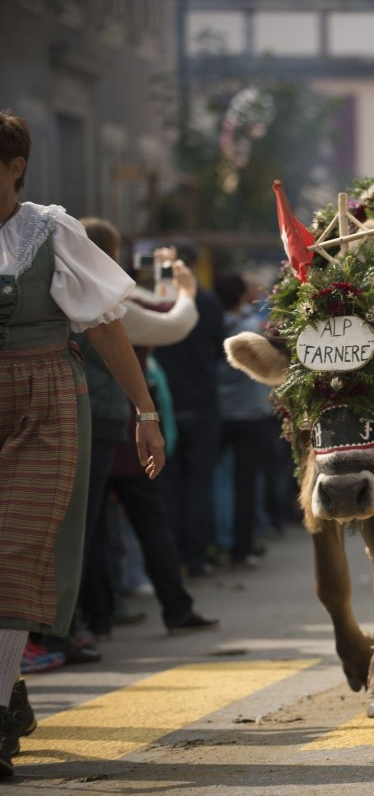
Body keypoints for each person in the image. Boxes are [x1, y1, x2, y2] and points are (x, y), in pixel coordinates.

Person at [0, 110, 166, 778]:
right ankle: (10, 686)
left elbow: (105, 327)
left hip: (45, 401)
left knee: (15, 553)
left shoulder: (50, 229)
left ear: (15, 167)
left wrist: (145, 409)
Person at [74, 220, 218, 639]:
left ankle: (95, 619)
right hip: (118, 430)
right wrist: (186, 288)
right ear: (111, 255)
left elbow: (147, 305)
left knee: (94, 529)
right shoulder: (103, 301)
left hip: (95, 425)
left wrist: (160, 280)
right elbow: (167, 321)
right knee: (143, 524)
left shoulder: (65, 289)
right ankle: (173, 608)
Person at [153, 248, 225, 577]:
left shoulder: (152, 302)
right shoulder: (207, 302)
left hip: (163, 404)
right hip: (202, 403)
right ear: (193, 266)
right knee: (199, 482)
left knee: (167, 484)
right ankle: (196, 556)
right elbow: (219, 348)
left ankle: (170, 559)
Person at [214, 271, 274, 569]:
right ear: (241, 296)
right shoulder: (254, 331)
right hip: (251, 415)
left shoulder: (210, 326)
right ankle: (242, 546)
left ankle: (220, 541)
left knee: (219, 481)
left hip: (218, 414)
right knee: (246, 483)